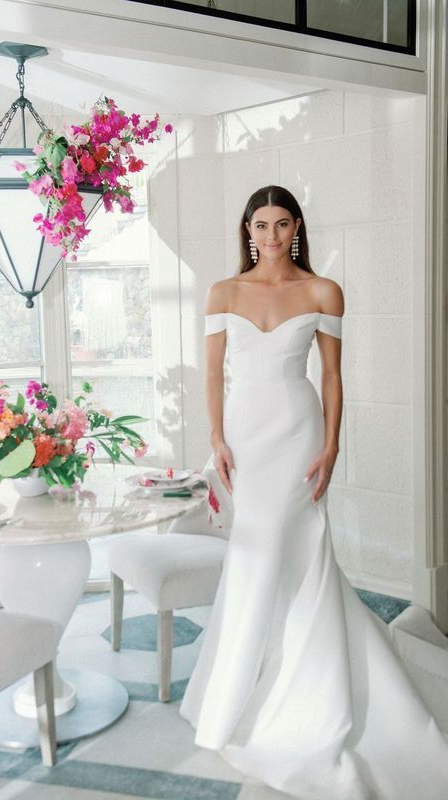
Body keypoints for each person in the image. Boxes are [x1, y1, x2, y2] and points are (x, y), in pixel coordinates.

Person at [180, 186, 448, 800]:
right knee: (253, 554)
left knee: (295, 551)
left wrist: (331, 445)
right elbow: (214, 374)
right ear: (247, 229)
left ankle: (308, 682)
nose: (271, 236)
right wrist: (216, 438)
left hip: (297, 433)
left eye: (282, 224)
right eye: (261, 225)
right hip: (245, 436)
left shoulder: (323, 290)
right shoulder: (223, 292)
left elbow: (331, 376)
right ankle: (238, 683)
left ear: (296, 228)